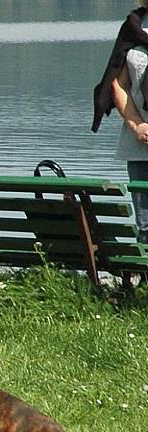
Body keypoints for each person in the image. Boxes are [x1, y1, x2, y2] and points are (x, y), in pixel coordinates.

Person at [92, 2, 148, 250]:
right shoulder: (134, 26)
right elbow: (118, 84)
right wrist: (137, 126)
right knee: (146, 226)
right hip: (139, 144)